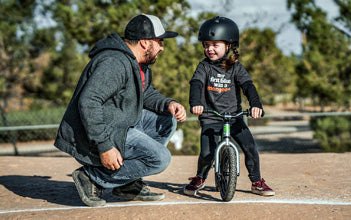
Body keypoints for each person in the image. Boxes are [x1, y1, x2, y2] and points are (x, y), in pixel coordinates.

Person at [54, 14, 187, 207]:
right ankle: (91, 176)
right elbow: (89, 102)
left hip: (118, 123)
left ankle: (126, 183)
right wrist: (104, 146)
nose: (162, 47)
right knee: (160, 159)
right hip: (94, 132)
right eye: (159, 42)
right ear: (144, 43)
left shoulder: (139, 63)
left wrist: (168, 104)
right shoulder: (114, 62)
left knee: (167, 120)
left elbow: (145, 93)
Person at [184, 16, 274, 197]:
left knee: (250, 148)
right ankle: (200, 177)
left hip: (234, 117)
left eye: (215, 45)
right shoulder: (204, 67)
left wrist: (256, 105)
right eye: (207, 45)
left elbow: (248, 86)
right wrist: (196, 104)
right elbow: (196, 84)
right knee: (207, 153)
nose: (210, 49)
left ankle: (256, 181)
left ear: (229, 46)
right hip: (211, 117)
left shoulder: (235, 67)